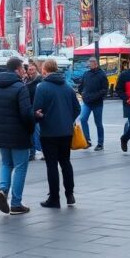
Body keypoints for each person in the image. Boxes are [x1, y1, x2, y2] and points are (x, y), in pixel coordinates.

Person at [0, 58, 34, 215]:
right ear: (17, 70)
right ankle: (16, 203)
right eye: (22, 69)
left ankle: (3, 189)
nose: (24, 71)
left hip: (1, 134)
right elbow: (26, 113)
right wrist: (32, 127)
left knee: (6, 163)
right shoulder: (20, 88)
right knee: (20, 166)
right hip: (19, 134)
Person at [34, 59, 79, 208]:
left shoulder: (42, 87)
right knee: (66, 162)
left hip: (49, 132)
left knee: (51, 165)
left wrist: (41, 117)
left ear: (45, 70)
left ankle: (54, 198)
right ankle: (70, 194)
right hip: (66, 132)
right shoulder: (67, 87)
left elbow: (37, 109)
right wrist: (68, 119)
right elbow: (77, 108)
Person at [77, 57, 108, 151]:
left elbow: (104, 90)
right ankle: (87, 140)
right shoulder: (86, 74)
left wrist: (95, 96)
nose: (89, 65)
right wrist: (82, 93)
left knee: (98, 123)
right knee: (83, 119)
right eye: (88, 63)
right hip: (87, 102)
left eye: (90, 63)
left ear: (95, 63)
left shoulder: (102, 75)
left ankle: (100, 143)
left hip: (97, 103)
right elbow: (81, 86)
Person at [25, 61, 44, 160]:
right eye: (29, 69)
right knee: (31, 132)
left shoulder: (39, 80)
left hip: (37, 109)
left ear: (36, 69)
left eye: (32, 69)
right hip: (29, 109)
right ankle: (32, 153)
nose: (30, 71)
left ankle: (42, 151)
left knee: (37, 132)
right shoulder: (26, 80)